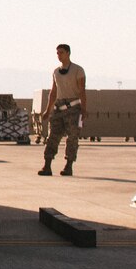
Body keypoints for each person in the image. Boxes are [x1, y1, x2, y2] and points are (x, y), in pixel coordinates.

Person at [39, 43, 87, 177]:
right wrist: (48, 111)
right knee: (52, 137)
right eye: (57, 53)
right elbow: (53, 93)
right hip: (58, 108)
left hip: (73, 108)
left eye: (61, 52)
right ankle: (47, 165)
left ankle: (68, 166)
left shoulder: (78, 70)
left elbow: (82, 91)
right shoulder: (56, 72)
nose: (59, 55)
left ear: (68, 53)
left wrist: (83, 109)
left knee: (72, 138)